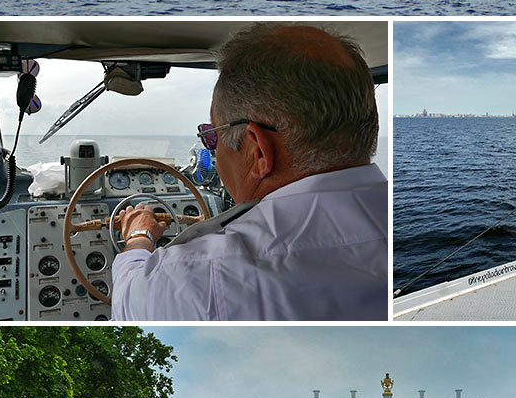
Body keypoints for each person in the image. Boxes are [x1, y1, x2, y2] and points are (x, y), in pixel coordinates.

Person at [111, 23, 387, 321]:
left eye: (212, 136)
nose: (212, 150)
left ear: (257, 151)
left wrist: (138, 234)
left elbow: (129, 298)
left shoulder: (197, 277)